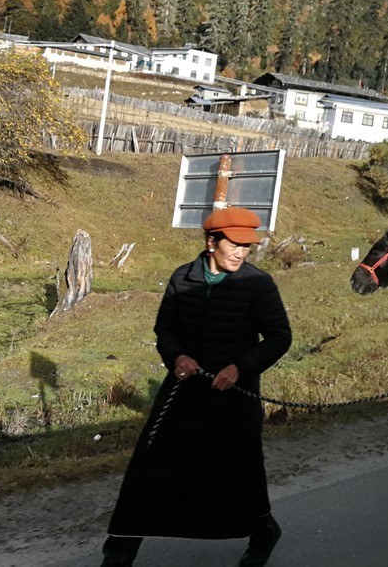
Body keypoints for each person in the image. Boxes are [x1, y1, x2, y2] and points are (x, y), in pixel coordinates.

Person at [101, 206, 293, 567]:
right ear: (211, 242)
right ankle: (119, 552)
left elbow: (280, 337)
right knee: (149, 471)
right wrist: (176, 357)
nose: (240, 252)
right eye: (233, 243)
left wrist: (240, 367)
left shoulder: (258, 284)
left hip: (233, 402)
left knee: (239, 477)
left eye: (246, 246)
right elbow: (165, 330)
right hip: (182, 398)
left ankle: (263, 532)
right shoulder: (182, 278)